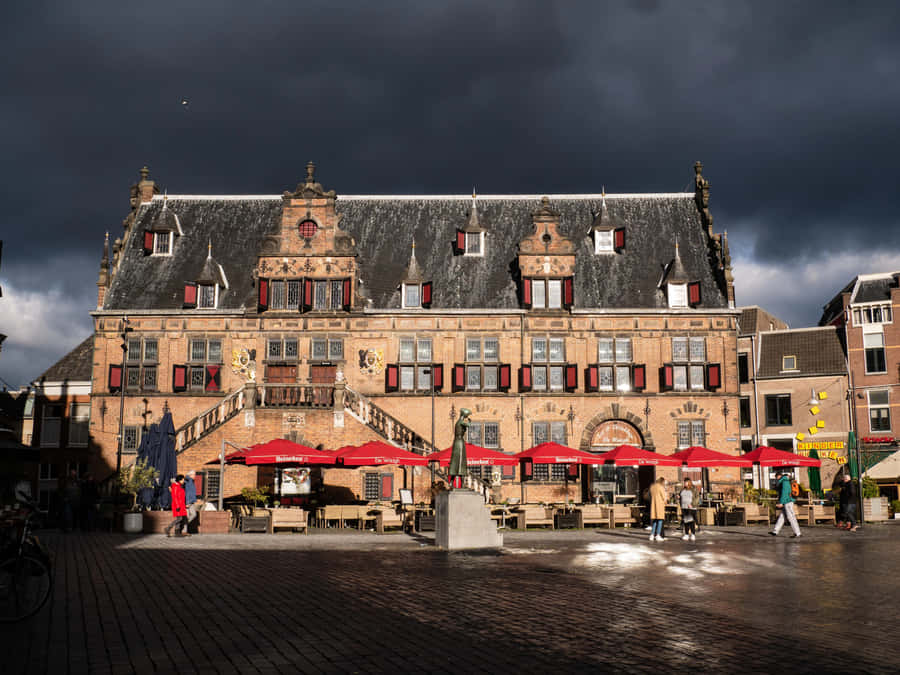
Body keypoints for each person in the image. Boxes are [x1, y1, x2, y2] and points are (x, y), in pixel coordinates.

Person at [770, 470, 801, 538]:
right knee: (782, 517)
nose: (776, 479)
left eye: (776, 477)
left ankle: (797, 532)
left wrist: (781, 503)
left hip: (788, 502)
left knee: (791, 517)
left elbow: (784, 493)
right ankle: (775, 531)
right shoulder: (785, 481)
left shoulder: (784, 482)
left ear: (779, 476)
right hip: (787, 501)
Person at [649, 477, 667, 541]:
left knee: (655, 521)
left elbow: (650, 496)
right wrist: (665, 501)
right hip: (660, 505)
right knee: (660, 520)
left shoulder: (652, 487)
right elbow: (664, 497)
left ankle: (652, 535)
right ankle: (658, 535)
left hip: (653, 505)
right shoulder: (661, 487)